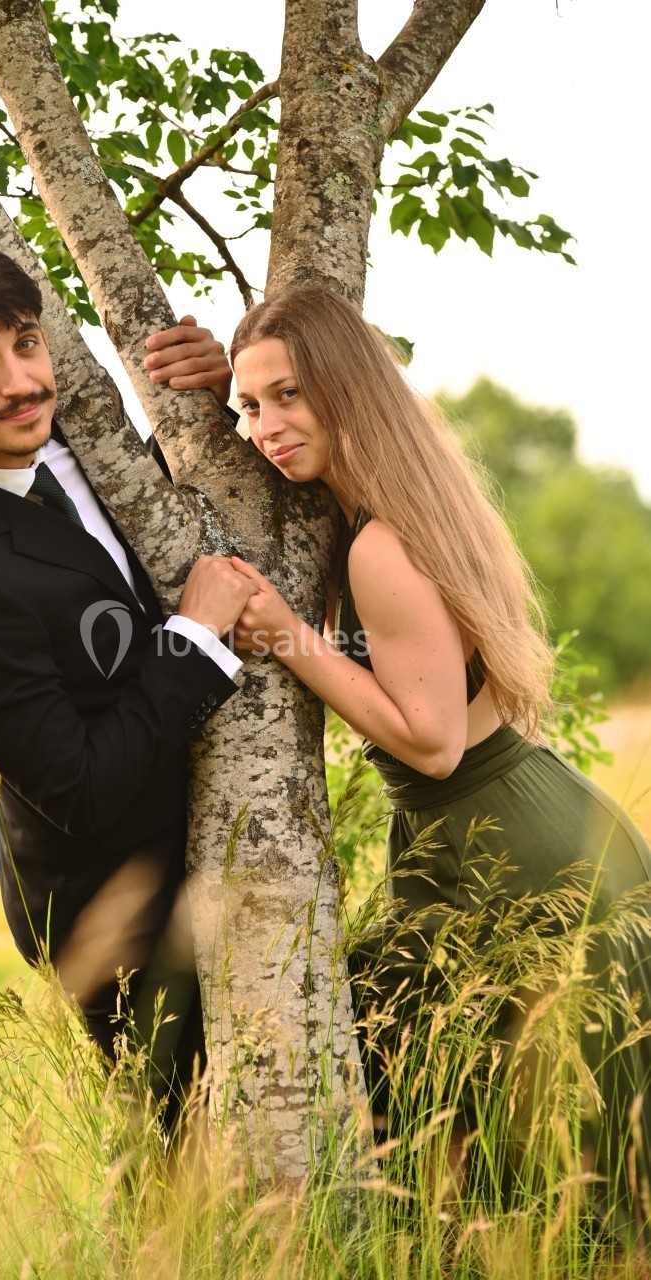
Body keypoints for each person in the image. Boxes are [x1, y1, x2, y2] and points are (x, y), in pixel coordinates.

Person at [211, 284, 651, 1232]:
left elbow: (434, 741)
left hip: (513, 852)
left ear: (346, 387)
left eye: (288, 396)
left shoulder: (379, 544)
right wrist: (215, 377)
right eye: (248, 407)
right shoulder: (409, 495)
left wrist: (287, 633)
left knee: (529, 1131)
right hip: (525, 826)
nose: (263, 428)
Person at [0, 242, 255, 1129]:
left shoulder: (69, 421)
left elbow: (171, 508)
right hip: (114, 913)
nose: (19, 382)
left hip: (214, 842)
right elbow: (81, 790)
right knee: (189, 1159)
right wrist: (196, 635)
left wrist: (218, 400)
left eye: (26, 344)